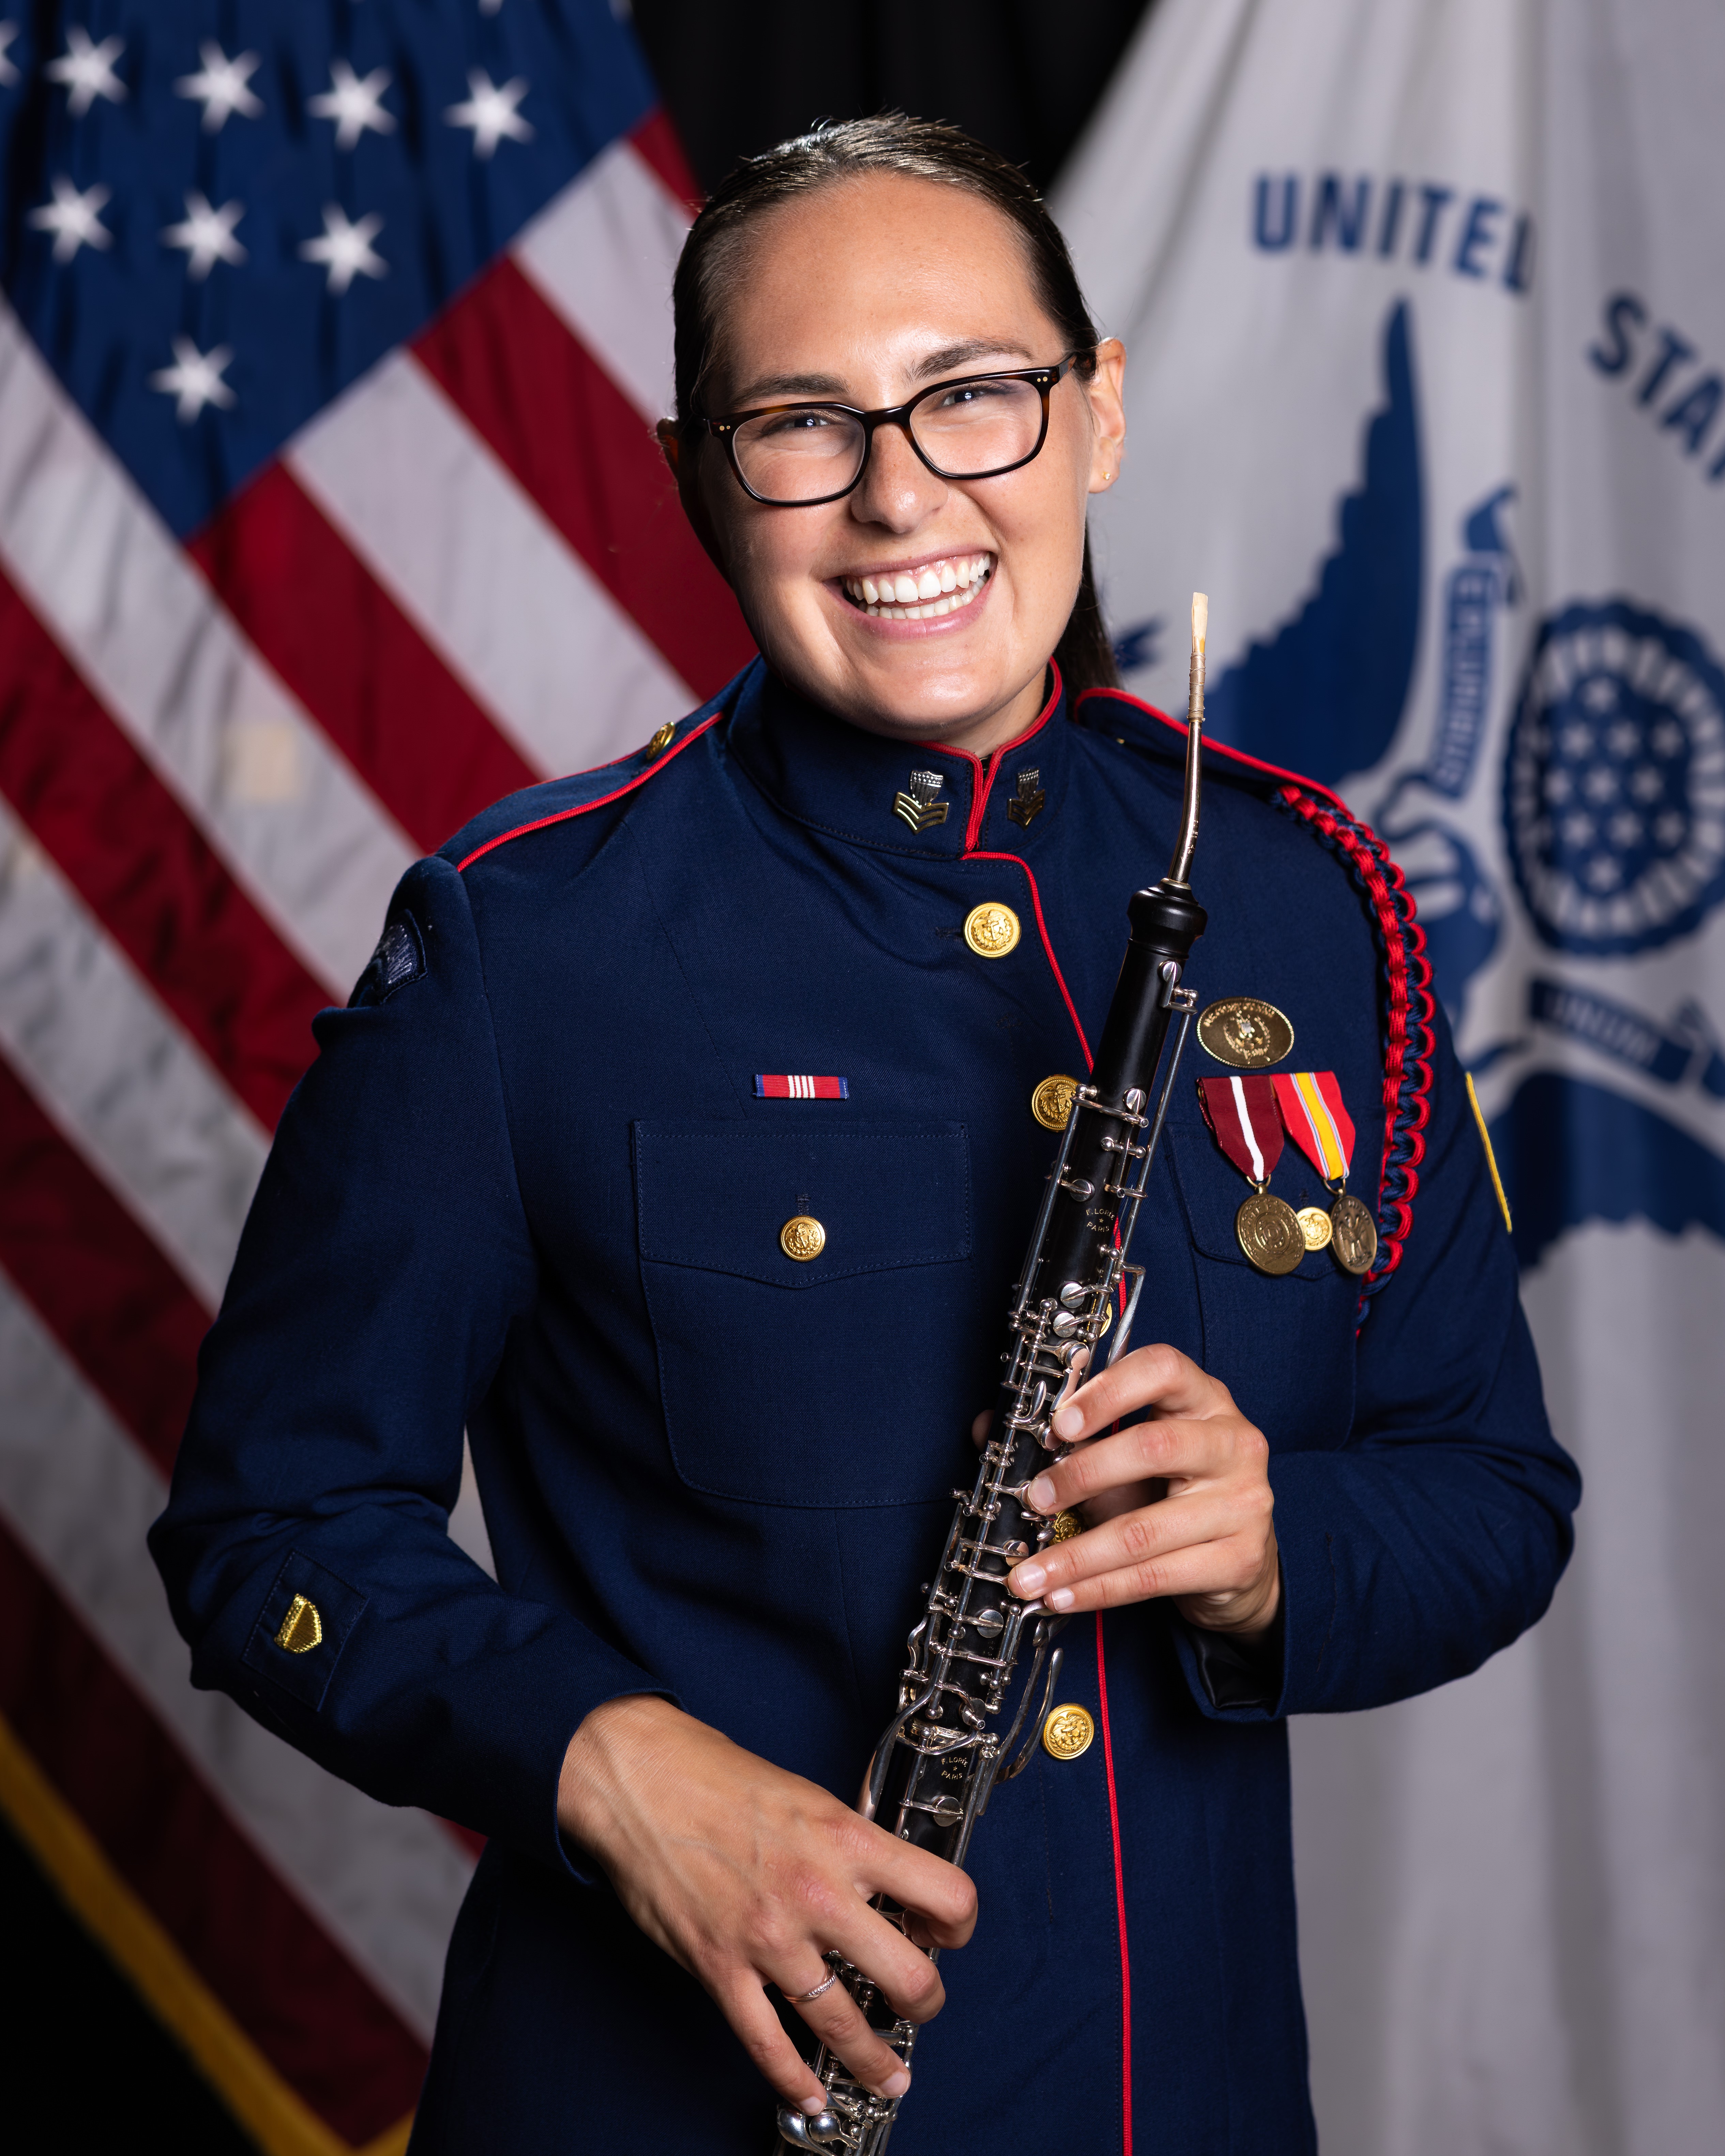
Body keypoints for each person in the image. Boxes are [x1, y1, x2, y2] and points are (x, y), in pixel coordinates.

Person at [150, 116, 1578, 2153]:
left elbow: (1493, 1496)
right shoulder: (525, 942)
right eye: (802, 424)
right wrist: (614, 1767)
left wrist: (1279, 1545)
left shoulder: (1309, 903)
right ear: (694, 479)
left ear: (1096, 413)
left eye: (974, 394)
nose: (901, 492)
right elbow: (266, 1532)